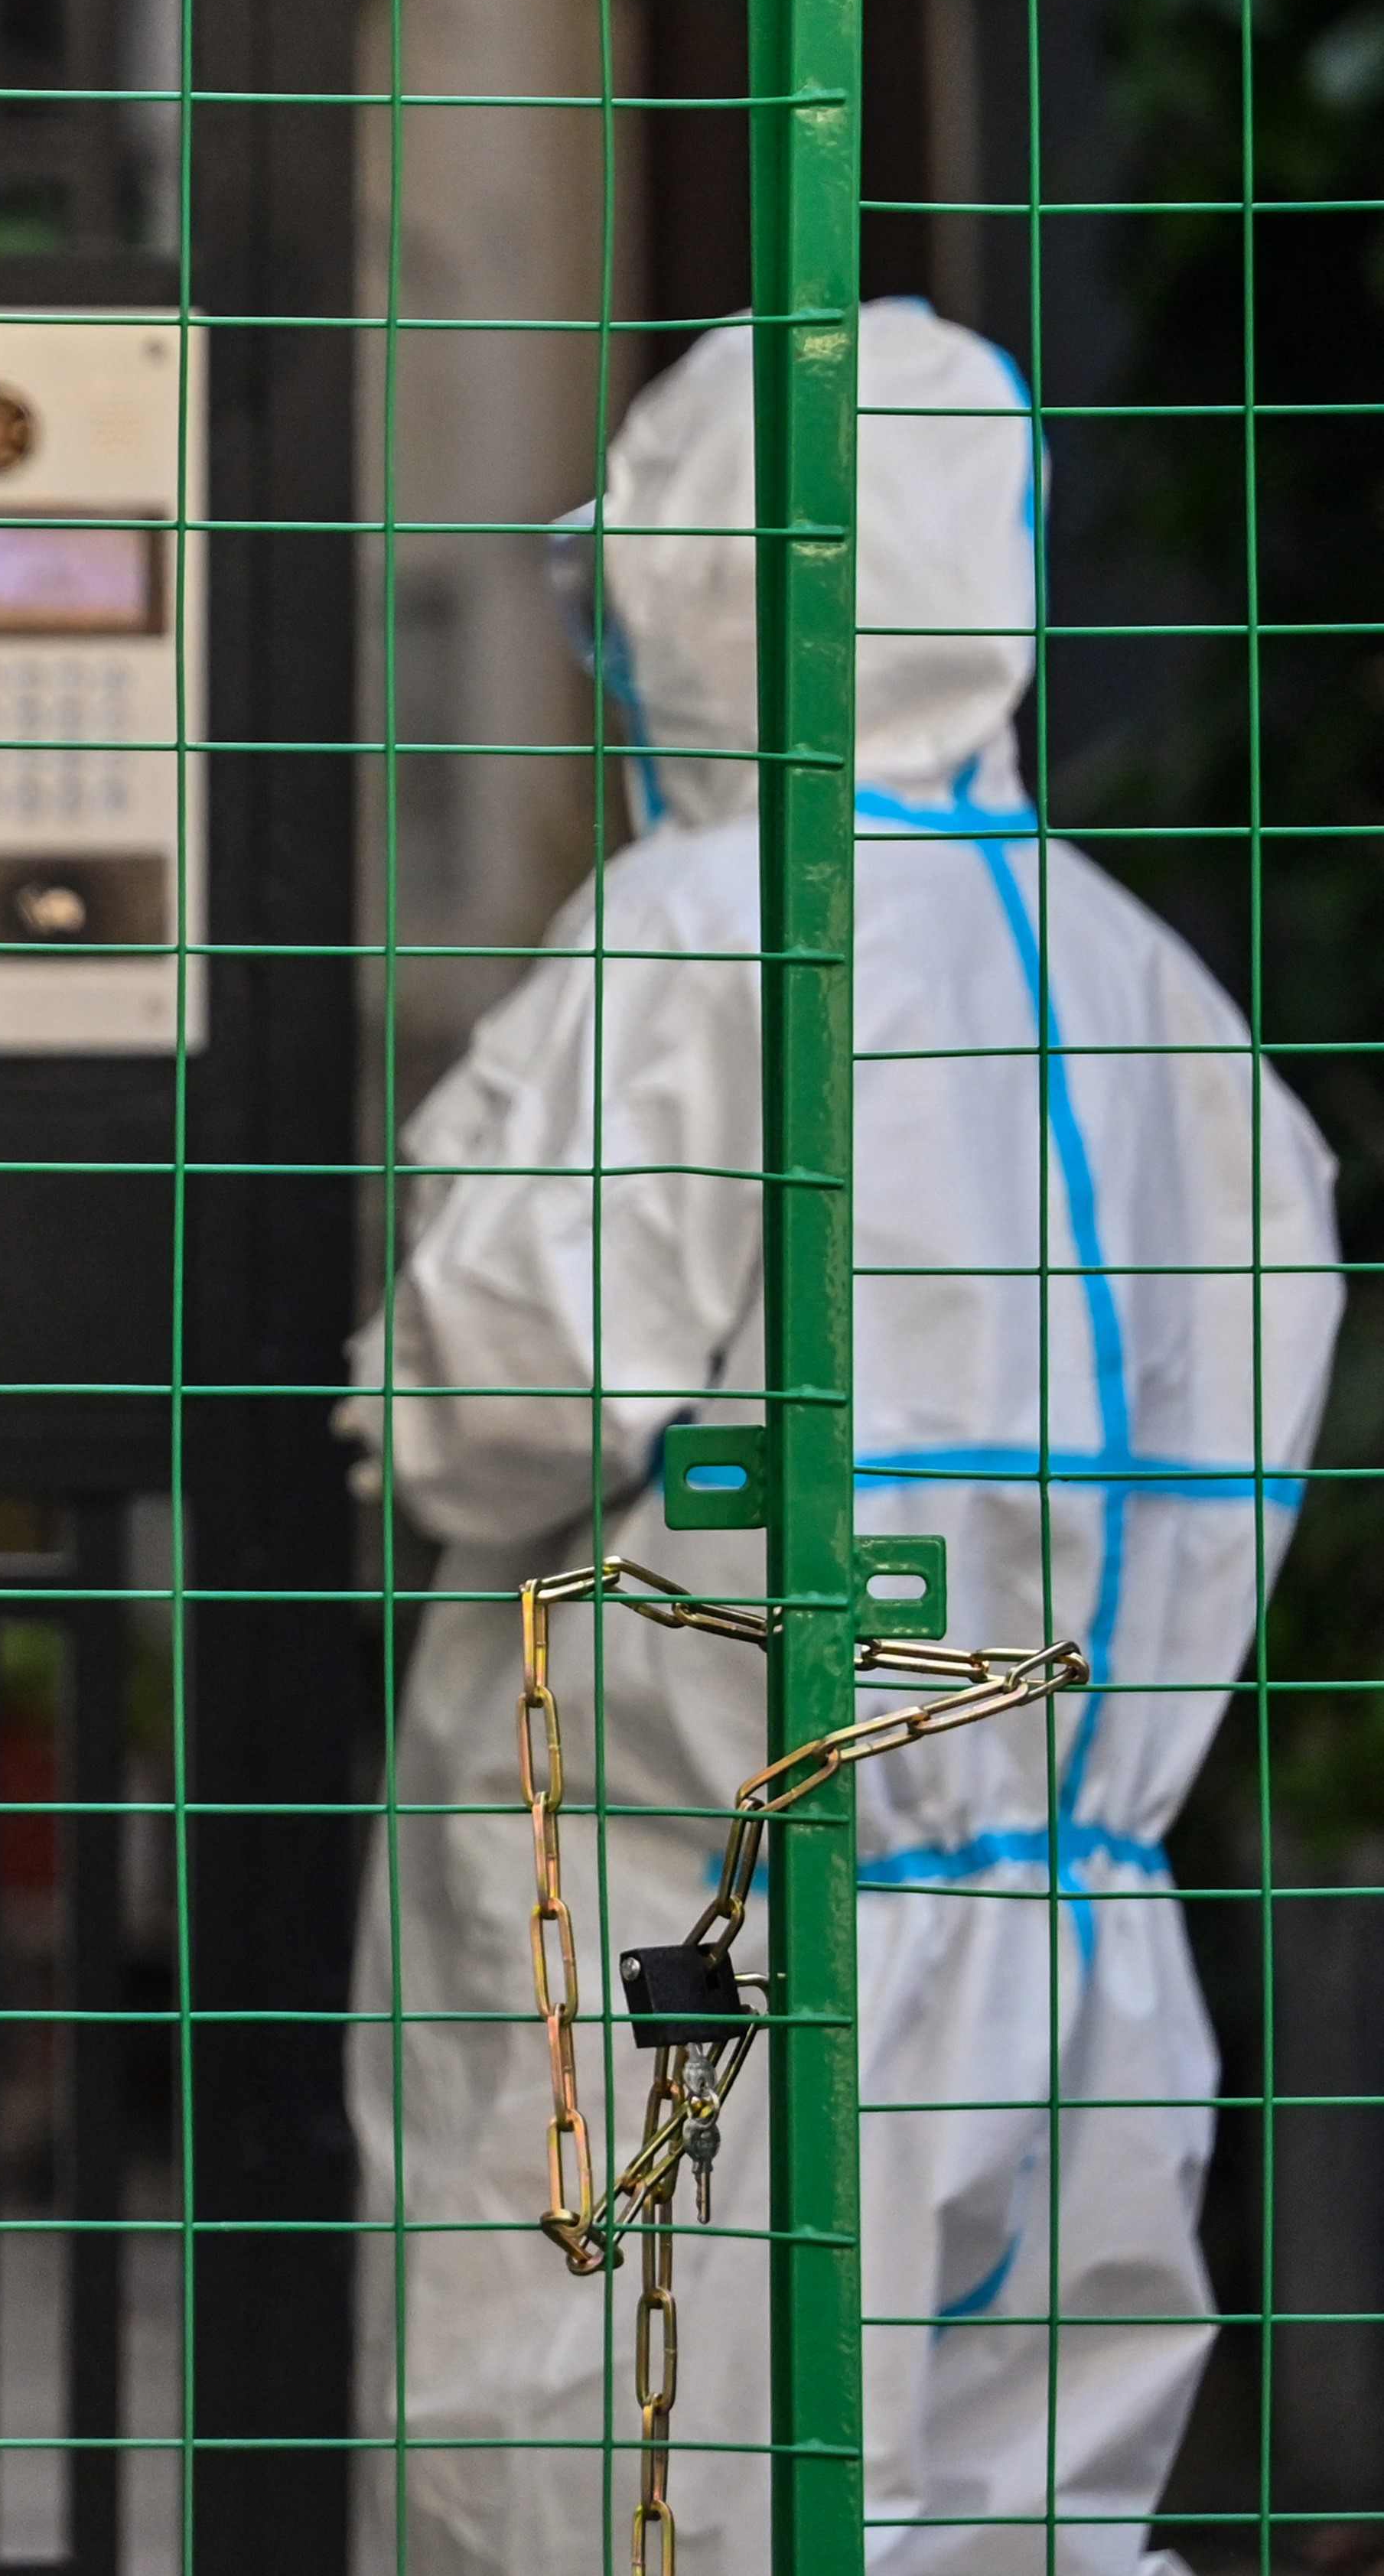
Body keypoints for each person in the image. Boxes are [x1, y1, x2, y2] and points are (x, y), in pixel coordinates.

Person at [344, 298, 1343, 2575]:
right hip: (1076, 1924)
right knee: (1032, 2523)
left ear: (697, 581)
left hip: (700, 1912)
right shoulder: (1141, 985)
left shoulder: (711, 934)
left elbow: (481, 1405)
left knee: (631, 2493)